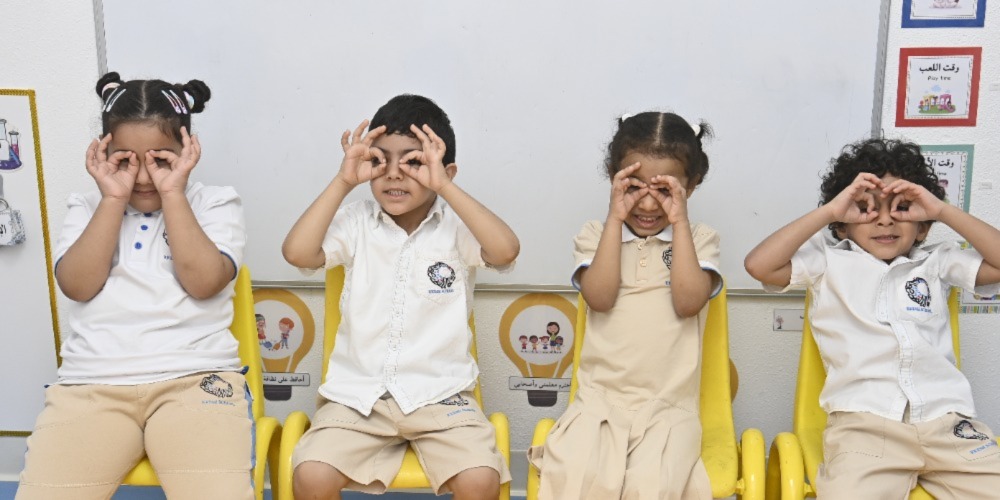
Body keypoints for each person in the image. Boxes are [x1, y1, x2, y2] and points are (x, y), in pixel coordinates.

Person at [16, 72, 252, 499]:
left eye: (161, 159)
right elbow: (78, 286)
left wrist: (174, 193)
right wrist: (111, 199)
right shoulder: (86, 205)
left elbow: (203, 283)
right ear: (104, 152)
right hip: (91, 385)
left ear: (188, 150)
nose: (144, 176)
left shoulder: (215, 203)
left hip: (196, 380)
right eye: (126, 159)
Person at [282, 94, 519, 499]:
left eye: (413, 162)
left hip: (442, 398)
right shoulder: (357, 222)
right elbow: (297, 253)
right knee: (311, 474)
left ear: (446, 170)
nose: (393, 174)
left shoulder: (457, 227)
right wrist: (343, 181)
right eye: (379, 160)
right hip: (358, 399)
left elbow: (505, 250)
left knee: (481, 479)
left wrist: (444, 185)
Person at [744, 138, 1000, 498]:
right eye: (866, 208)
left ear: (922, 224)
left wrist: (941, 210)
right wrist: (830, 212)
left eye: (901, 208)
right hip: (865, 428)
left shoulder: (937, 261)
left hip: (947, 424)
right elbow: (759, 265)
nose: (884, 219)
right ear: (843, 224)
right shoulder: (827, 261)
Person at [529, 111, 720, 499]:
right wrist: (615, 219)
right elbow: (599, 298)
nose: (647, 203)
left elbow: (688, 303)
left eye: (664, 190)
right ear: (614, 180)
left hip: (668, 411)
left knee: (651, 489)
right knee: (578, 483)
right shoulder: (596, 235)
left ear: (691, 187)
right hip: (599, 406)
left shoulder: (699, 239)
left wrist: (679, 223)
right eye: (634, 186)